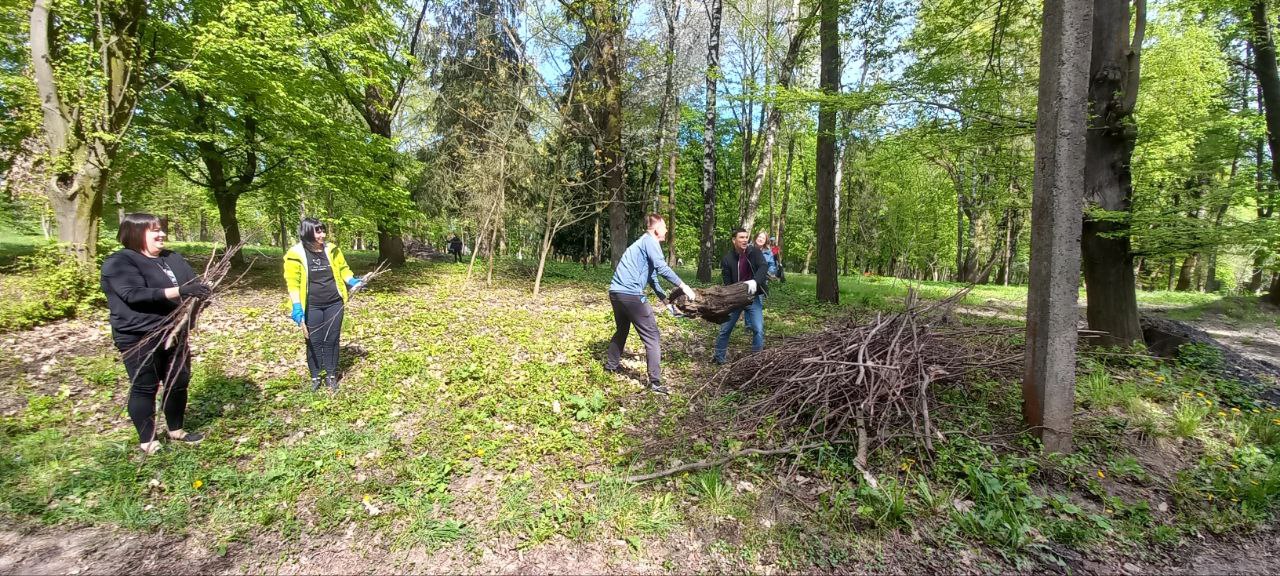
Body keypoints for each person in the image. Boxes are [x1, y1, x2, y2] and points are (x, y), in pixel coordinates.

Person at [100, 213, 211, 454]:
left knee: (178, 381)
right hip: (139, 334)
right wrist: (179, 291)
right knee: (145, 385)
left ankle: (176, 430)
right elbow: (133, 294)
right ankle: (148, 441)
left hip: (175, 330)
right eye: (155, 231)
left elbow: (193, 283)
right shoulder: (119, 262)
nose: (162, 234)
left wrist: (200, 295)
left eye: (161, 229)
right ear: (135, 233)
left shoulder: (172, 258)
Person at [604, 213, 697, 395]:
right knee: (652, 337)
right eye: (664, 227)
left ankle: (611, 366)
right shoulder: (650, 242)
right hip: (631, 295)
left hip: (616, 293)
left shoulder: (642, 244)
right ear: (656, 230)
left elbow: (652, 277)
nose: (667, 230)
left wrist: (666, 302)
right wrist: (683, 286)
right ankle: (655, 383)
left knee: (622, 330)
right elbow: (662, 268)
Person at [283, 217, 362, 392]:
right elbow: (293, 283)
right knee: (314, 341)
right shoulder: (295, 254)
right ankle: (315, 376)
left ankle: (331, 375)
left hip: (334, 302)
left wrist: (352, 280)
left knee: (332, 339)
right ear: (307, 232)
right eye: (318, 232)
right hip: (312, 306)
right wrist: (297, 306)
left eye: (323, 231)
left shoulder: (332, 250)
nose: (323, 235)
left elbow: (343, 269)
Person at [713, 228, 769, 364]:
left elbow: (763, 267)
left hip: (753, 297)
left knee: (758, 329)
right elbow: (727, 283)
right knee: (725, 329)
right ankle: (719, 358)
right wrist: (730, 297)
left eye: (746, 237)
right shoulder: (727, 259)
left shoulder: (754, 252)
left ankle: (756, 359)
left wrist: (755, 281)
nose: (745, 240)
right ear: (734, 240)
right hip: (735, 299)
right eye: (741, 237)